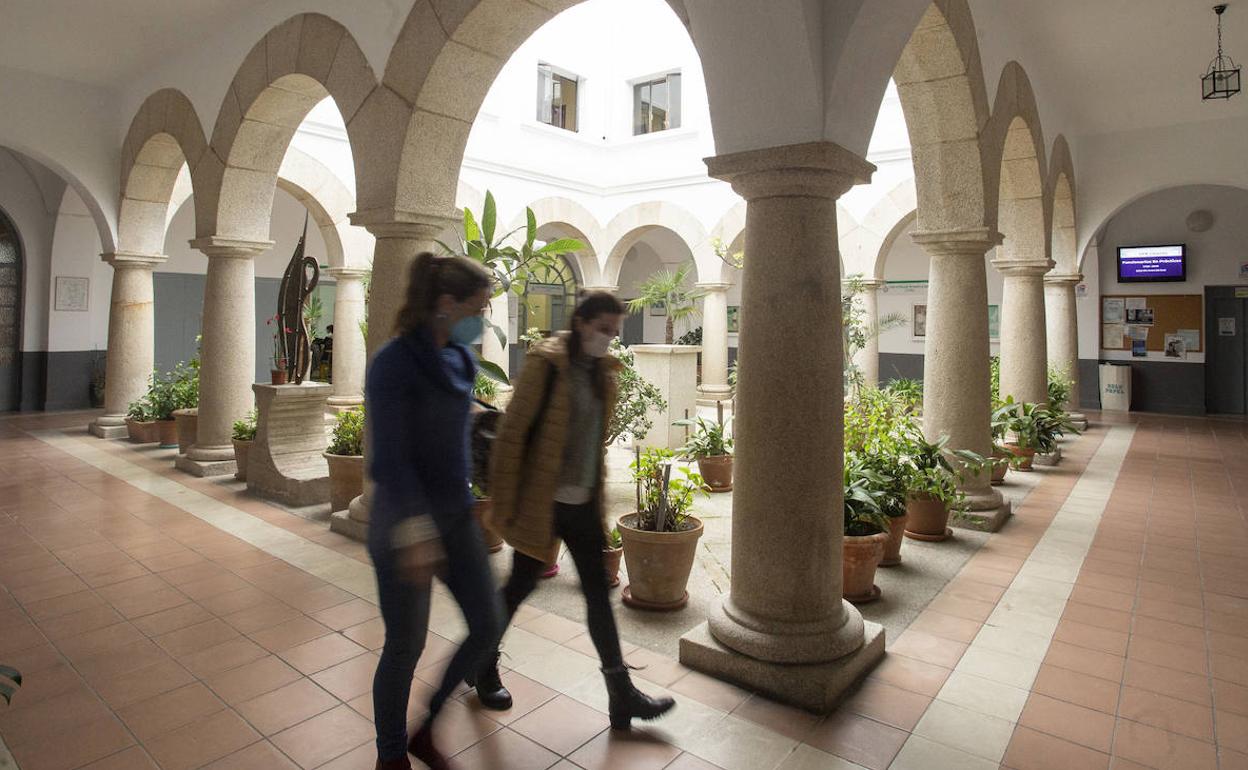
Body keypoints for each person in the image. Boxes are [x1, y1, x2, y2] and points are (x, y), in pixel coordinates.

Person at [475, 291, 675, 729]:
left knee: (597, 600)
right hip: (542, 504)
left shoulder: (604, 375)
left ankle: (620, 693)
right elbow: (511, 436)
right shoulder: (546, 366)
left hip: (581, 505)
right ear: (582, 322)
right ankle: (482, 664)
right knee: (518, 589)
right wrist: (504, 504)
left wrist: (597, 504)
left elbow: (593, 450)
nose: (609, 339)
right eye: (603, 328)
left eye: (614, 332)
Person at [367, 252, 501, 770]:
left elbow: (447, 426)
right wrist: (417, 532)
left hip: (455, 514)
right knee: (405, 645)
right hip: (404, 521)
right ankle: (391, 755)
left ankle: (426, 728)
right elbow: (391, 459)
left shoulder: (460, 359)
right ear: (447, 304)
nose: (482, 319)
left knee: (487, 622)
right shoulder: (394, 362)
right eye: (479, 308)